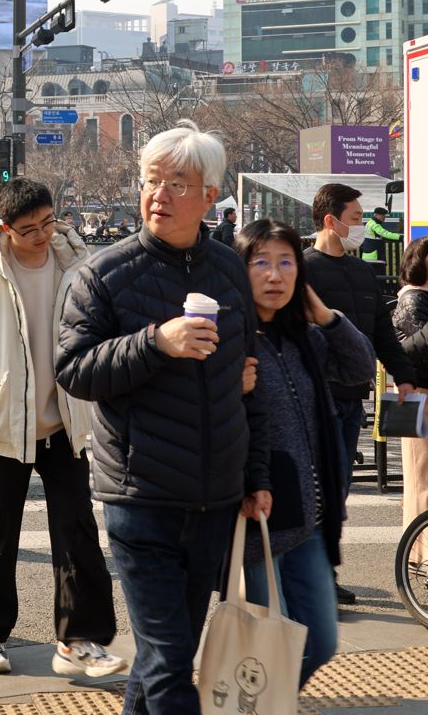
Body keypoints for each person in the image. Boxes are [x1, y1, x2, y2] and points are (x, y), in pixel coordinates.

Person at [56, 120, 271, 715]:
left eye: (178, 183)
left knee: (161, 658)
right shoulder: (102, 274)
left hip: (215, 497)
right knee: (172, 657)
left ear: (210, 195)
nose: (159, 195)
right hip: (139, 495)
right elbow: (74, 370)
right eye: (151, 181)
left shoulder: (230, 271)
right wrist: (156, 342)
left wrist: (256, 477)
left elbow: (249, 383)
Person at [0, 179, 125, 680]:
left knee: (77, 531)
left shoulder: (76, 263)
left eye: (48, 222)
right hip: (5, 421)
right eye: (30, 229)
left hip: (65, 419)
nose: (43, 235)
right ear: (6, 229)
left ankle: (78, 639)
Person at [236, 219, 374, 687]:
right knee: (263, 647)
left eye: (286, 263)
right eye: (261, 263)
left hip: (309, 519)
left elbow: (358, 369)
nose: (275, 276)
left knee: (319, 640)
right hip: (257, 516)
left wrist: (326, 317)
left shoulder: (306, 338)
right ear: (240, 269)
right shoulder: (228, 340)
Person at [304, 183, 415, 604]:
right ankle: (311, 580)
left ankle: (324, 575)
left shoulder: (362, 272)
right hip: (316, 396)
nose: (363, 227)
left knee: (338, 490)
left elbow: (382, 333)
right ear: (330, 221)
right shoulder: (303, 270)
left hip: (354, 398)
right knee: (317, 488)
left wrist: (403, 375)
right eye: (355, 218)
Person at [392, 237, 428, 534]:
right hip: (419, 397)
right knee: (421, 477)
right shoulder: (412, 298)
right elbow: (409, 350)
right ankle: (421, 553)